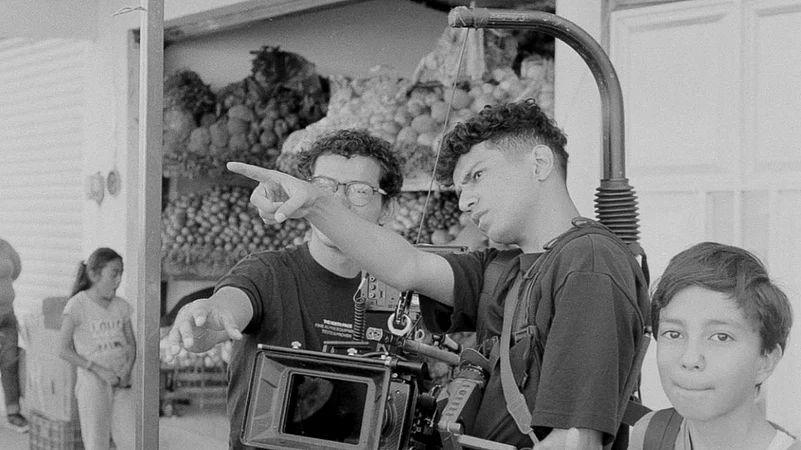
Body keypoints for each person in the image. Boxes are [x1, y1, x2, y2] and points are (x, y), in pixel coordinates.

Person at [228, 98, 649, 449]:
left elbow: (577, 442)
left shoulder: (587, 263)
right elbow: (405, 265)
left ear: (539, 162)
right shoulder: (502, 267)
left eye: (477, 176)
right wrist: (315, 204)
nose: (465, 201)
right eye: (459, 188)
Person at [163, 129, 405, 450]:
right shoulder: (269, 273)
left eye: (359, 191)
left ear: (387, 207)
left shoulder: (399, 291)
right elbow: (229, 307)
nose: (338, 202)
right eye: (324, 188)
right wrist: (210, 318)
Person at [628, 242, 798, 450]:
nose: (690, 360)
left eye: (721, 337)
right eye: (674, 334)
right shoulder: (649, 434)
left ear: (765, 361)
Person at [59, 248, 136, 450]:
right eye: (114, 273)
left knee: (131, 440)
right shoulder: (77, 305)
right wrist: (98, 370)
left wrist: (127, 369)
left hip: (121, 382)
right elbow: (63, 350)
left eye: (121, 273)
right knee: (97, 442)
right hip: (93, 383)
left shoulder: (122, 306)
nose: (119, 280)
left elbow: (131, 344)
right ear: (94, 274)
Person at [0, 238, 28, 432]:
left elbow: (16, 268)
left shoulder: (3, 245)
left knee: (10, 362)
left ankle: (13, 412)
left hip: (7, 315)